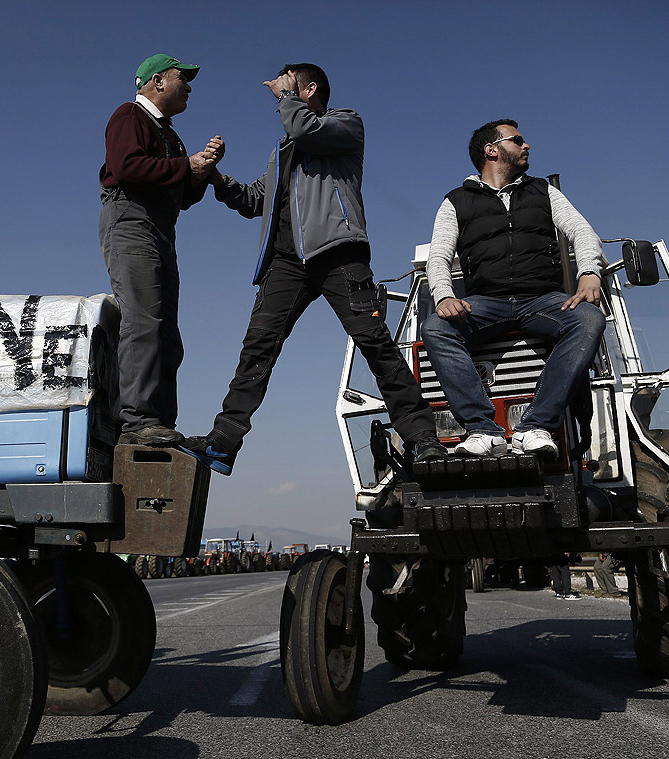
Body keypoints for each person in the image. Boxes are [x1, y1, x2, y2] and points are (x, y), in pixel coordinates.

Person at [180, 63, 445, 475]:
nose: (280, 93)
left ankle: (423, 439)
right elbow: (255, 201)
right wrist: (216, 177)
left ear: (310, 89)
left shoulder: (344, 123)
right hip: (286, 264)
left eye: (289, 85)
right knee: (257, 349)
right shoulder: (284, 150)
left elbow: (307, 130)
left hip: (339, 252)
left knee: (375, 344)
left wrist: (286, 99)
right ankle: (223, 442)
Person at [421, 120, 606, 459]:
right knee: (434, 327)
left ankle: (535, 426)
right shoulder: (456, 201)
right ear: (492, 150)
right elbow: (439, 256)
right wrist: (444, 295)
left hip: (542, 300)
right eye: (518, 140)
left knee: (589, 319)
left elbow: (581, 231)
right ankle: (481, 429)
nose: (527, 146)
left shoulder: (543, 191)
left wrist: (589, 272)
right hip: (485, 303)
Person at [99, 54, 224, 446]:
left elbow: (182, 196)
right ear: (156, 82)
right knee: (143, 321)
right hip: (132, 222)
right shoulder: (129, 117)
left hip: (160, 230)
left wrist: (198, 174)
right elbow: (127, 167)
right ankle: (137, 423)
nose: (188, 86)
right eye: (181, 78)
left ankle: (159, 424)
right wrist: (186, 165)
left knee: (165, 332)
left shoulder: (170, 133)